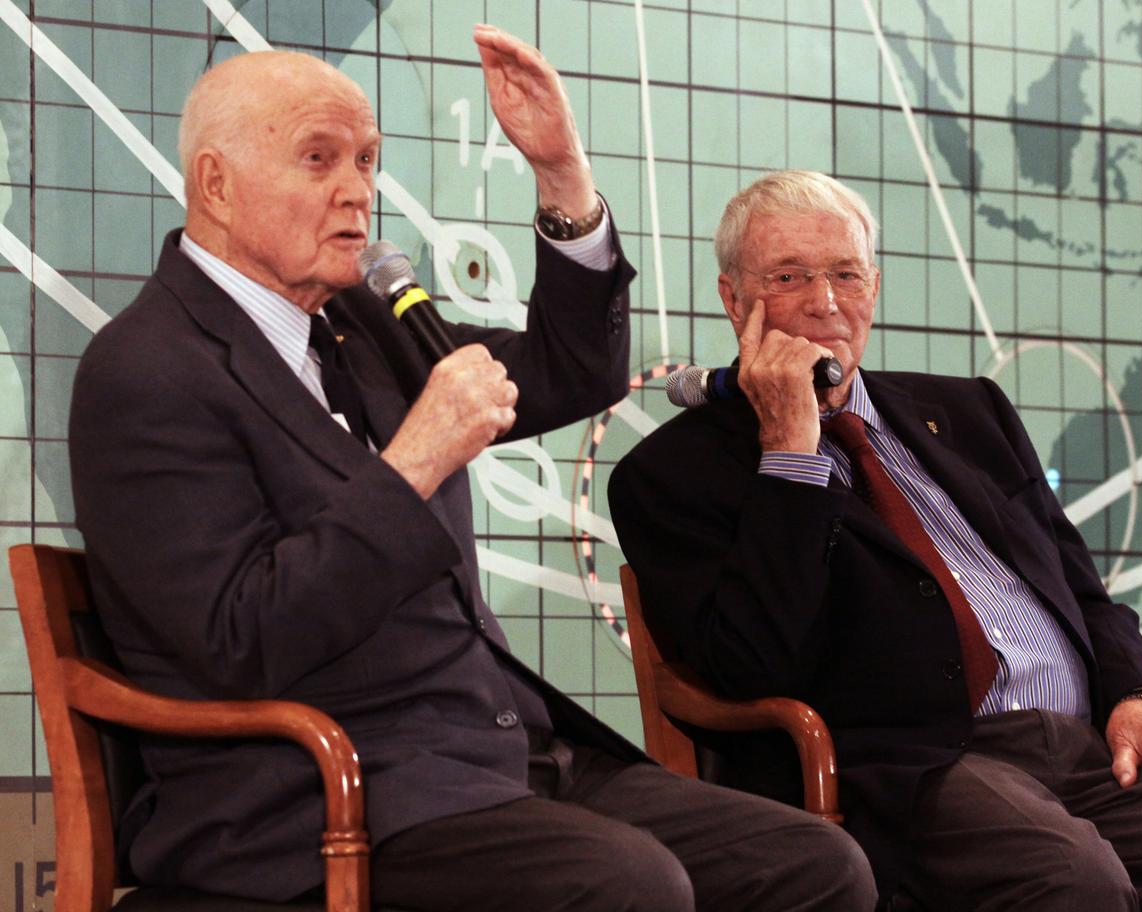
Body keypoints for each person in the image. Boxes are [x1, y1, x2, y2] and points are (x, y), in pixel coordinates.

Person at [67, 36, 877, 912]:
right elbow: (238, 643)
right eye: (319, 159)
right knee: (632, 886)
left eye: (367, 160)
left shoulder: (363, 323)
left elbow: (572, 372)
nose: (358, 190)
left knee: (815, 866)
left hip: (495, 753)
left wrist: (561, 175)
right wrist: (418, 457)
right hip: (312, 792)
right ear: (217, 185)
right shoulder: (146, 370)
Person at [608, 169, 1142, 911]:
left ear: (873, 288)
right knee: (1071, 877)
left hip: (1084, 744)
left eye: (845, 275)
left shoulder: (970, 411)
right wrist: (790, 453)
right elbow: (749, 663)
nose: (825, 302)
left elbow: (1086, 597)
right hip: (908, 767)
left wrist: (1139, 695)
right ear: (735, 299)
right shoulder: (669, 474)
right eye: (789, 277)